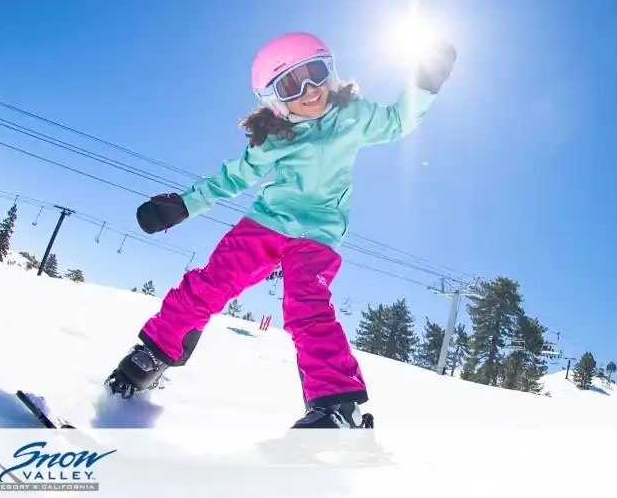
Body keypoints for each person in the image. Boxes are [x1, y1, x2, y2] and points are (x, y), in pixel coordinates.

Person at [102, 31, 457, 429]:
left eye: (316, 73)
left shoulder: (354, 116)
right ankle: (151, 356)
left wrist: (424, 84)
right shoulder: (273, 137)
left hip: (319, 235)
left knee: (308, 309)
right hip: (266, 224)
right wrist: (184, 204)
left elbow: (397, 122)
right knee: (209, 284)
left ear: (332, 72)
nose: (309, 90)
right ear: (273, 98)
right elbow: (230, 179)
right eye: (292, 83)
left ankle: (335, 406)